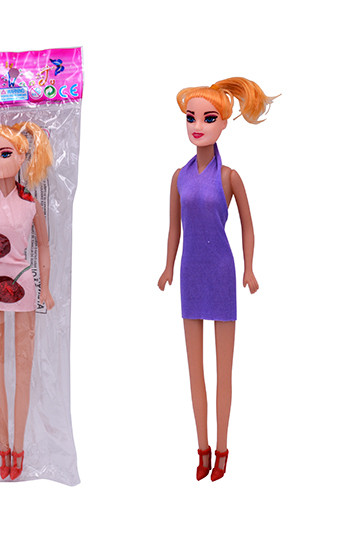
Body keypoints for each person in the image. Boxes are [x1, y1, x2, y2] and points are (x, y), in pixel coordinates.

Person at [158, 77, 274, 481]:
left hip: (222, 272)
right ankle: (202, 448)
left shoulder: (230, 177)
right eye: (191, 118)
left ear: (223, 123)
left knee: (224, 370)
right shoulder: (179, 176)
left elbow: (248, 225)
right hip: (191, 272)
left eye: (208, 118)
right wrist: (168, 266)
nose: (198, 126)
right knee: (195, 369)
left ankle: (223, 448)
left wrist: (249, 267)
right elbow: (174, 228)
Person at [0, 122, 54, 480]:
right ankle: (3, 446)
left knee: (23, 370)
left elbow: (44, 245)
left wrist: (45, 287)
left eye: (4, 154)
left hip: (24, 285)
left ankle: (19, 446)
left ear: (22, 158)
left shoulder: (30, 205)